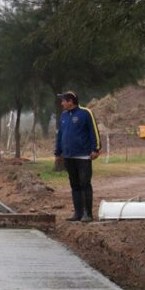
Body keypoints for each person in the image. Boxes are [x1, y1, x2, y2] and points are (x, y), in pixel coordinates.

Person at [54, 91, 101, 222]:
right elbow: (60, 135)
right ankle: (78, 213)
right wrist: (58, 152)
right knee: (74, 185)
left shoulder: (85, 113)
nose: (62, 103)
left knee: (85, 184)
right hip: (68, 156)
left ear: (70, 101)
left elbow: (94, 131)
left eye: (63, 101)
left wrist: (96, 149)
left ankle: (88, 214)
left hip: (84, 156)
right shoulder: (63, 116)